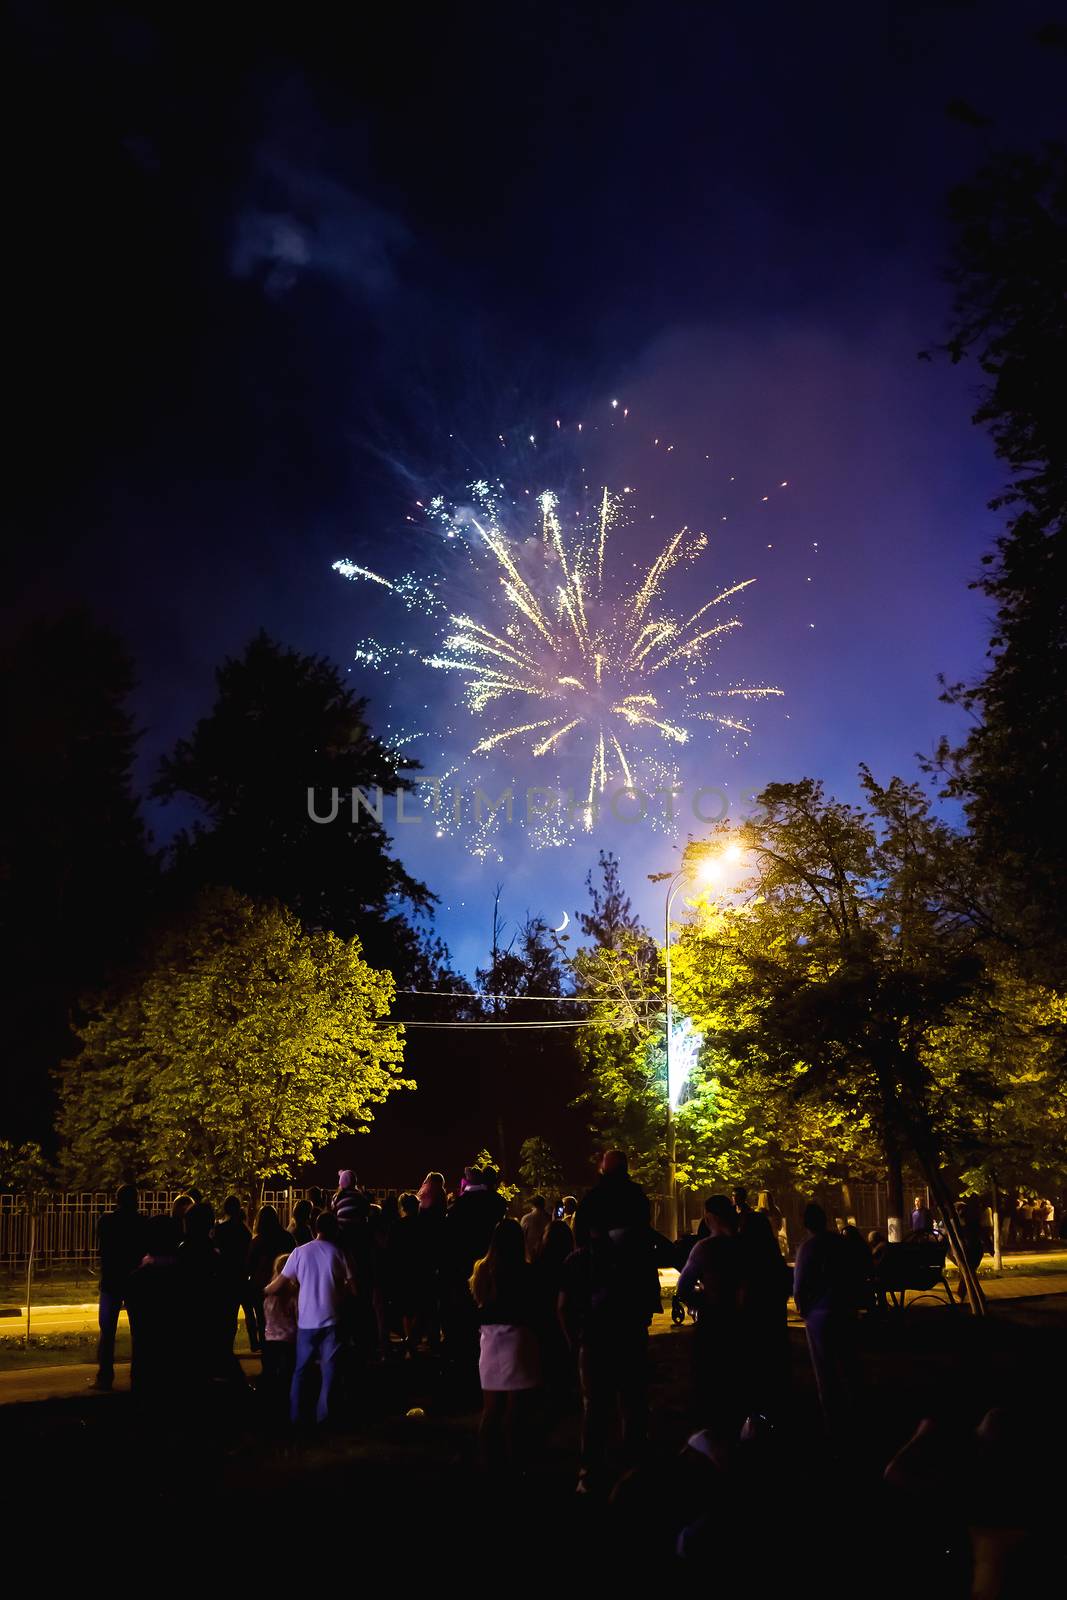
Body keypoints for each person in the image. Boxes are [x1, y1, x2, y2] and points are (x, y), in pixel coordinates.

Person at [561, 1151, 659, 1493]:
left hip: (597, 1329)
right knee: (632, 1398)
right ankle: (634, 1463)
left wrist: (575, 1332)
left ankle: (590, 1470)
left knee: (595, 1404)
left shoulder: (589, 1238)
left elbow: (567, 1300)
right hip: (630, 1322)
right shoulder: (637, 1201)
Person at [267, 1211, 353, 1425]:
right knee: (329, 1370)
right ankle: (324, 1416)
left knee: (301, 1371)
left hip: (306, 1321)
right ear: (335, 1229)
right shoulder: (339, 1253)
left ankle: (296, 1416)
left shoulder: (299, 1253)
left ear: (316, 1228)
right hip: (332, 1318)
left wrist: (263, 1289)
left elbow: (280, 1283)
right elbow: (354, 1287)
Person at [470, 1218, 541, 1471]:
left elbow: (478, 1305)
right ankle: (516, 1462)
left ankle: (490, 1461)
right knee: (516, 1411)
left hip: (490, 1341)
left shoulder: (482, 1271)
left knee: (491, 1410)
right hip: (518, 1337)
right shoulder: (526, 1271)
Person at [677, 1196, 746, 1453]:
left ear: (710, 1218)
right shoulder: (747, 1247)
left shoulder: (705, 1249)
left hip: (713, 1324)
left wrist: (703, 1301)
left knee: (711, 1383)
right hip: (743, 1326)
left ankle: (712, 1443)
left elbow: (684, 1288)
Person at [793, 1202, 861, 1435]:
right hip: (845, 1310)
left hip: (819, 1315)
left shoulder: (807, 1248)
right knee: (849, 1364)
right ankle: (856, 1415)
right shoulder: (840, 1243)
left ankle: (833, 1422)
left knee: (825, 1371)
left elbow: (800, 1283)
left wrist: (803, 1310)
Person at [90, 1184, 150, 1391]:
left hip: (111, 1280)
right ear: (136, 1201)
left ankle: (105, 1377)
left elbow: (103, 1249)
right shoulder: (143, 1223)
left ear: (117, 1200)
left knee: (107, 1331)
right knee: (139, 1331)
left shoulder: (106, 1221)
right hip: (135, 1281)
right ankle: (138, 1376)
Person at [214, 1194, 256, 1352]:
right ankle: (254, 1340)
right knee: (248, 1311)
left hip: (227, 1275)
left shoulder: (221, 1229)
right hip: (241, 1274)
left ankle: (227, 1345)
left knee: (229, 1313)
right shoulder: (244, 1230)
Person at [260, 1250, 298, 1412]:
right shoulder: (293, 1295)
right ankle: (286, 1405)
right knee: (286, 1373)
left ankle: (268, 1404)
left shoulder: (269, 1295)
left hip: (270, 1338)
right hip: (288, 1339)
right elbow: (297, 1316)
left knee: (270, 1372)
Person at [520, 1195, 552, 1261]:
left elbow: (521, 1237)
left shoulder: (526, 1218)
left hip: (529, 1256)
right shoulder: (550, 1219)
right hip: (547, 1257)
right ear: (544, 1204)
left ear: (532, 1205)